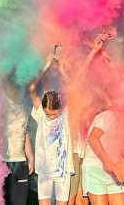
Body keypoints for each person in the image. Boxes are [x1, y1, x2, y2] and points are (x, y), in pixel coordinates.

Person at [29, 55, 75, 205]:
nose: (50, 117)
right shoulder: (41, 114)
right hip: (44, 171)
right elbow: (31, 89)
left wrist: (61, 69)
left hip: (63, 171)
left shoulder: (66, 114)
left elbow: (72, 89)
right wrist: (45, 65)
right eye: (48, 114)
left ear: (60, 109)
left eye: (53, 114)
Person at [82, 99, 124, 205]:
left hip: (113, 174)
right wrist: (108, 163)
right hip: (95, 170)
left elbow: (117, 149)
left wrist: (122, 166)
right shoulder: (108, 116)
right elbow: (93, 139)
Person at [0, 83, 34, 205]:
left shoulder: (24, 106)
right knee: (3, 200)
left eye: (17, 87)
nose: (14, 90)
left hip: (20, 161)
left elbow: (24, 131)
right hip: (3, 160)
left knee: (19, 201)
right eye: (11, 86)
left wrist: (30, 156)